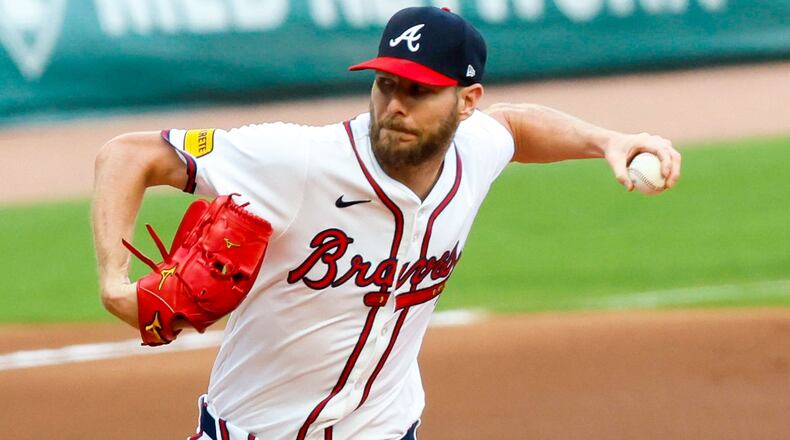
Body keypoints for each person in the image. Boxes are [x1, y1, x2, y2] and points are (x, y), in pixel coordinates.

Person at [92, 6, 681, 440]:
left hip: (387, 430)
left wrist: (609, 140)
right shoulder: (297, 160)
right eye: (385, 83)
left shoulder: (472, 153)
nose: (395, 105)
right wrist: (116, 282)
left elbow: (516, 127)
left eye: (419, 90)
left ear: (466, 100)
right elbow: (128, 154)